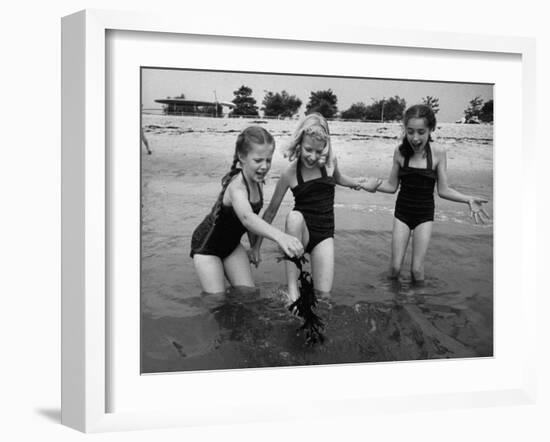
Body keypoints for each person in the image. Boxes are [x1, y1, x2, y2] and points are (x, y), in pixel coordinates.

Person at [250, 113, 380, 303]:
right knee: (294, 217)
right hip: (300, 233)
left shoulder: (329, 164)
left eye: (318, 151)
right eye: (308, 149)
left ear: (325, 148)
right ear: (299, 144)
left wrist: (361, 184)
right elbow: (271, 211)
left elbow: (340, 179)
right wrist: (256, 246)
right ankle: (293, 293)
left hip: (323, 235)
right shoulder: (290, 173)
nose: (312, 156)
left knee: (323, 297)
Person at [372, 104, 490, 283]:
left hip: (424, 215)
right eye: (410, 132)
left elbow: (443, 190)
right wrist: (370, 185)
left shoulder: (438, 152)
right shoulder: (399, 152)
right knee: (395, 268)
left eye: (421, 132)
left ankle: (417, 307)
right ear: (405, 130)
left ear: (431, 129)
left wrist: (468, 199)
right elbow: (391, 186)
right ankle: (394, 305)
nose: (415, 138)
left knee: (416, 271)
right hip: (402, 213)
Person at [190, 126, 304, 294]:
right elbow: (247, 218)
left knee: (249, 294)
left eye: (268, 160)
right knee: (218, 301)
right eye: (258, 160)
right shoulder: (237, 188)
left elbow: (253, 222)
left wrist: (254, 247)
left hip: (231, 246)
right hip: (207, 248)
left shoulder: (257, 182)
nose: (264, 166)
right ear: (242, 157)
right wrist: (281, 237)